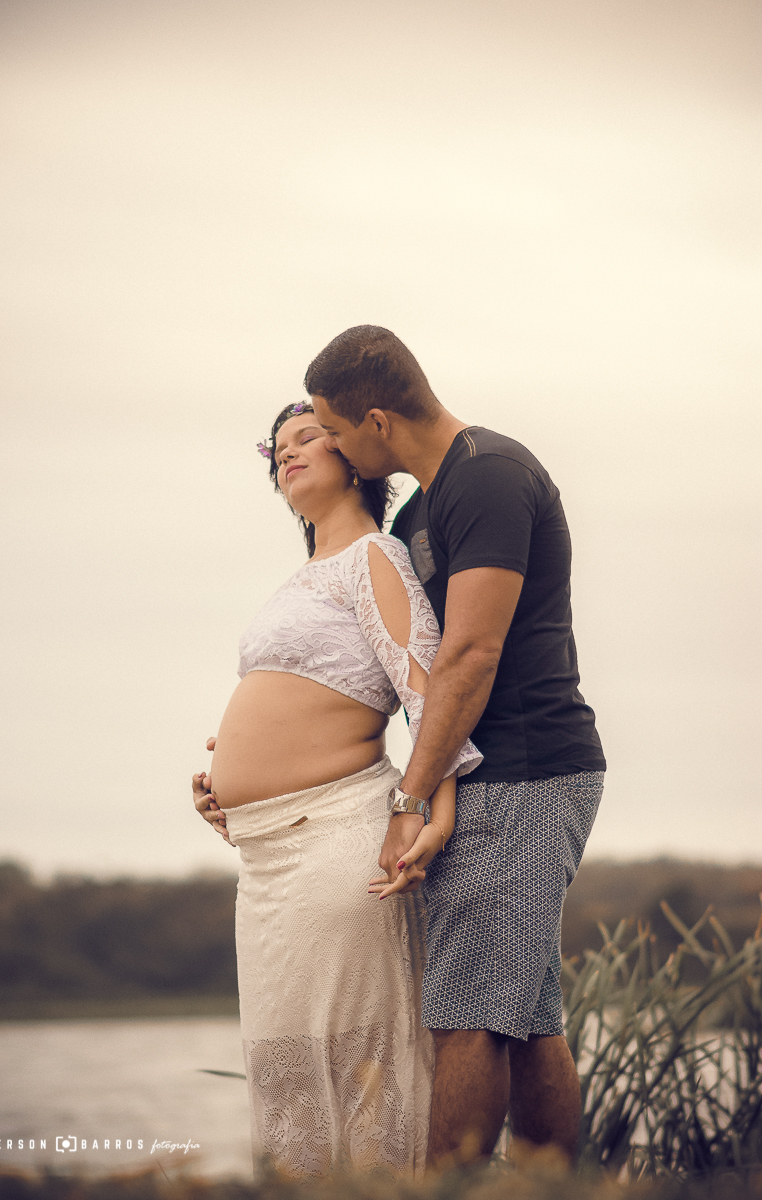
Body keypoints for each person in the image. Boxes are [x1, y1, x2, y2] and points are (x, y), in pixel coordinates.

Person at [304, 325, 606, 1168]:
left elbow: (471, 655)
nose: (330, 444)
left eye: (330, 428)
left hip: (527, 766)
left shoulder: (491, 476)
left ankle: (441, 1194)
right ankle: (549, 1185)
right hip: (491, 771)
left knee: (468, 1013)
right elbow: (401, 658)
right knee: (526, 1010)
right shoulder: (421, 508)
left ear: (375, 420)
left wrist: (410, 797)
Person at [191, 399, 481, 1178]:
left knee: (363, 1065)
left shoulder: (374, 557)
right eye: (277, 447)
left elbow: (427, 692)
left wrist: (429, 809)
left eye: (308, 437)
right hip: (265, 859)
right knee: (284, 1071)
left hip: (338, 839)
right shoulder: (303, 577)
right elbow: (293, 700)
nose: (288, 453)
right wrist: (227, 784)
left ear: (355, 453)